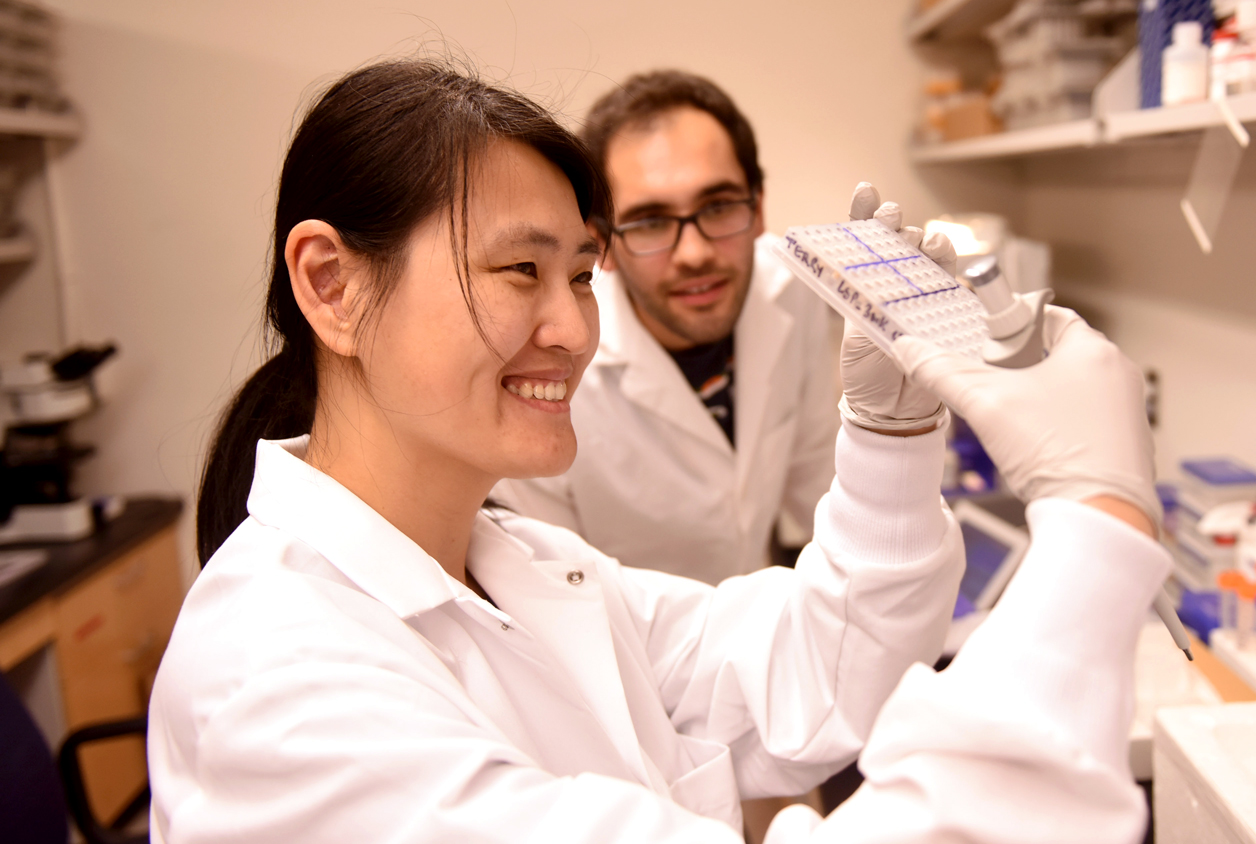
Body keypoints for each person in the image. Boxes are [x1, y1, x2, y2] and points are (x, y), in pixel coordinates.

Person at [151, 58, 1169, 844]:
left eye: (581, 274)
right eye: (520, 270)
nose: (573, 328)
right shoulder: (280, 689)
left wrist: (892, 440)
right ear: (332, 285)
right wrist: (1096, 528)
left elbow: (821, 662)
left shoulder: (524, 572)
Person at [489, 71, 842, 584]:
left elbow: (822, 488)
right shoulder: (547, 366)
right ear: (601, 245)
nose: (695, 254)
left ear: (759, 208)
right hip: (633, 654)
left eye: (719, 207)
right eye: (652, 221)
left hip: (767, 627)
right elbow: (554, 589)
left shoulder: (794, 295)